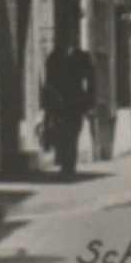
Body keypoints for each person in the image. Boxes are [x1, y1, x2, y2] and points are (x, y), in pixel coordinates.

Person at [42, 36, 96, 179]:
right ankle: (64, 164)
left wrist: (89, 105)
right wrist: (51, 100)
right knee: (62, 134)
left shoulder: (83, 57)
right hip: (59, 103)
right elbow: (49, 82)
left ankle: (69, 166)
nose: (67, 42)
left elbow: (91, 82)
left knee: (73, 133)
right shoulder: (53, 58)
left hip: (76, 102)